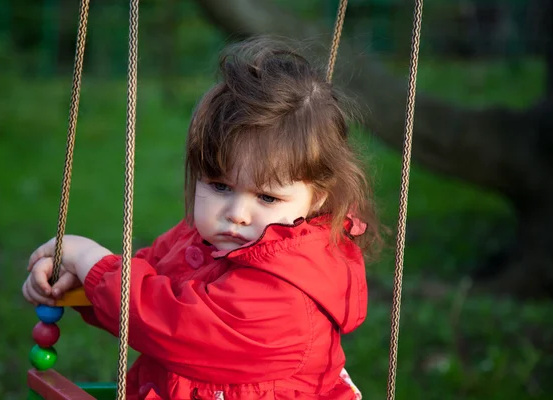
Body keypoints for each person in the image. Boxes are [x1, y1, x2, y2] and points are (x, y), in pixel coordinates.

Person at [22, 37, 380, 400]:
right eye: (221, 187)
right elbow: (145, 275)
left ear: (317, 196)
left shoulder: (288, 289)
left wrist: (90, 262)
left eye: (267, 197)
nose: (236, 215)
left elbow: (169, 321)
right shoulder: (200, 239)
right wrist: (76, 284)